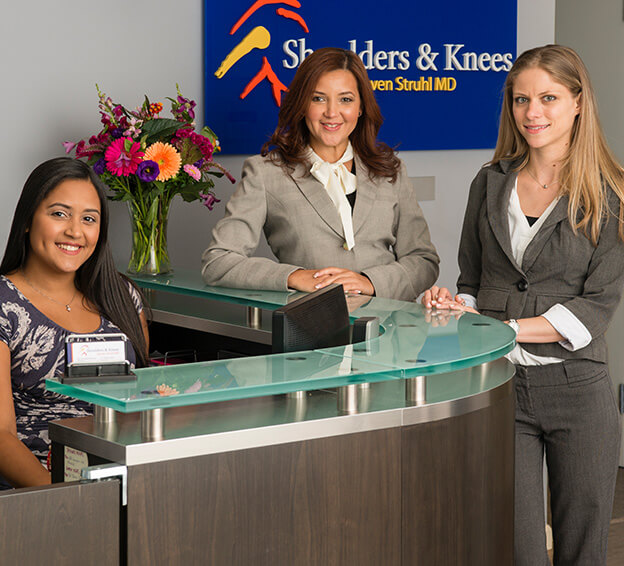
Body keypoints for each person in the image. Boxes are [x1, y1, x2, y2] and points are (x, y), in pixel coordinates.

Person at [423, 45, 624, 565]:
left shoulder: (610, 195)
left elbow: (594, 309)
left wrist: (501, 327)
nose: (533, 112)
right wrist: (456, 306)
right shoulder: (489, 183)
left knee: (583, 547)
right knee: (512, 545)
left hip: (577, 392)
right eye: (521, 99)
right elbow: (473, 278)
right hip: (499, 387)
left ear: (579, 103)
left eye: (549, 98)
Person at [202, 47, 439, 301]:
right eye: (318, 98)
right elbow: (218, 262)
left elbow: (423, 260)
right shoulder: (265, 173)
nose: (332, 112)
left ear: (360, 107)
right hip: (312, 329)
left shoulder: (391, 170)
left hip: (390, 330)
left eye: (345, 99)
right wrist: (294, 276)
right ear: (303, 105)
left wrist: (369, 282)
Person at [0, 157, 149, 490]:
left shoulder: (122, 296)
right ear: (27, 220)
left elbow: (137, 407)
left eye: (89, 219)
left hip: (120, 481)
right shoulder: (4, 304)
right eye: (59, 214)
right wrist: (67, 500)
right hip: (38, 494)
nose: (75, 231)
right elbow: (1, 436)